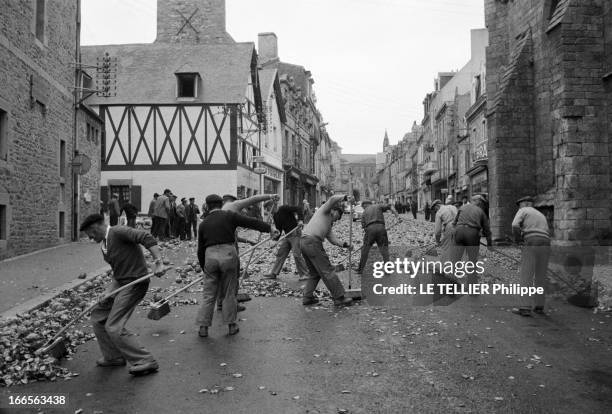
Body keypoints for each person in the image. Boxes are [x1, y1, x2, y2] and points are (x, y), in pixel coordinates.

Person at [79, 214, 166, 376]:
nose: (90, 238)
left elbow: (145, 236)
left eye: (89, 233)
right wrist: (108, 290)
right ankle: (113, 356)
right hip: (121, 283)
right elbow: (118, 271)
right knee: (98, 315)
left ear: (96, 227)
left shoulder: (118, 232)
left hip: (135, 283)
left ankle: (145, 360)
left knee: (114, 325)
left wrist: (159, 262)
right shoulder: (104, 245)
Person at [196, 194, 277, 337]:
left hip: (209, 256)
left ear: (207, 206)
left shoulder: (203, 223)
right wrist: (269, 228)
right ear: (221, 204)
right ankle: (231, 326)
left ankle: (203, 328)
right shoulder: (229, 216)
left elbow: (200, 249)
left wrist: (205, 268)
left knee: (209, 295)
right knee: (229, 292)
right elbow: (251, 222)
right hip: (228, 254)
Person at [300, 194, 354, 307]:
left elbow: (333, 239)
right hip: (312, 242)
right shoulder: (324, 210)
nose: (336, 219)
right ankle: (339, 298)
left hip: (304, 242)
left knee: (315, 273)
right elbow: (332, 199)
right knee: (327, 270)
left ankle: (307, 297)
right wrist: (345, 197)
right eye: (337, 215)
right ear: (333, 210)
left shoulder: (328, 224)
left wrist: (345, 245)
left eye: (338, 218)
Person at [511, 196, 551, 317]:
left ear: (525, 203)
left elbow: (515, 225)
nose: (519, 207)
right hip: (546, 242)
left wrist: (518, 240)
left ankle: (524, 308)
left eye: (519, 204)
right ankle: (539, 306)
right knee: (541, 275)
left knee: (526, 274)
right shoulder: (541, 214)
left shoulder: (524, 210)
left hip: (531, 241)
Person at [454, 194, 493, 288]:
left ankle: (451, 287)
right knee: (472, 261)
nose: (483, 205)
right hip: (472, 234)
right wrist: (489, 244)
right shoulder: (481, 212)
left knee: (456, 260)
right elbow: (487, 231)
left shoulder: (462, 208)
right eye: (482, 203)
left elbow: (454, 223)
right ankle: (472, 288)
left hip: (459, 232)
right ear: (478, 202)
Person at [263, 204, 309, 280]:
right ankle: (274, 273)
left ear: (272, 206)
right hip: (287, 236)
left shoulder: (284, 208)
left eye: (268, 208)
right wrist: (275, 241)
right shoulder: (275, 216)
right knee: (281, 253)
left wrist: (300, 220)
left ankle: (305, 274)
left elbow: (298, 208)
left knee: (296, 254)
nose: (268, 211)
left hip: (295, 233)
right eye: (267, 209)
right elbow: (279, 230)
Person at [355, 200, 399, 274]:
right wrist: (397, 216)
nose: (363, 208)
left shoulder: (364, 213)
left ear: (365, 205)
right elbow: (390, 206)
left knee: (365, 250)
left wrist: (371, 238)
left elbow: (364, 227)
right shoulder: (378, 206)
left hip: (370, 229)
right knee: (384, 250)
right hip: (381, 228)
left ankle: (360, 270)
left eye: (363, 207)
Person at [434, 198, 459, 270]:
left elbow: (437, 231)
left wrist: (438, 241)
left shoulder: (439, 212)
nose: (435, 211)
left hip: (451, 227)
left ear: (437, 206)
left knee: (446, 247)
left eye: (434, 209)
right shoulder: (453, 207)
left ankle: (443, 268)